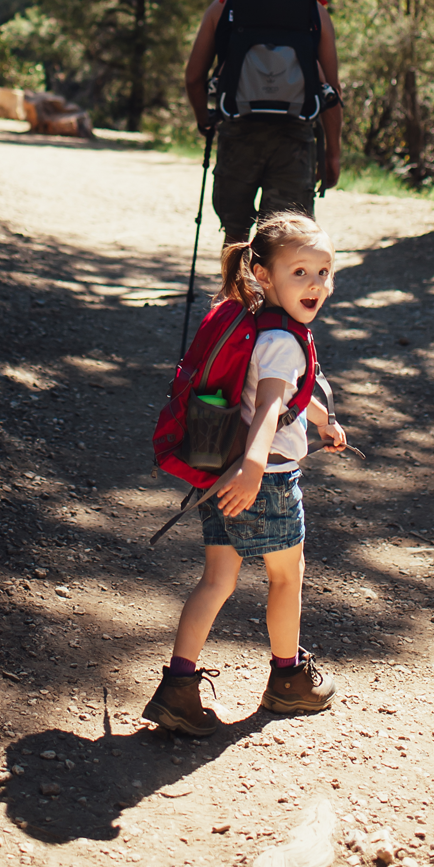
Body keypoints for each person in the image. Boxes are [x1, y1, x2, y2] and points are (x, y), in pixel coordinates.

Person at [142, 212, 347, 737]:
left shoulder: (261, 322)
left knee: (217, 581)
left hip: (218, 475)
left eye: (324, 272)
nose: (316, 284)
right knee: (286, 577)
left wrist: (325, 421)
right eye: (299, 272)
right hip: (265, 480)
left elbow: (288, 401)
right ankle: (288, 679)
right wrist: (255, 466)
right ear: (262, 273)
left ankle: (177, 688)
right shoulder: (283, 340)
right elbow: (272, 404)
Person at [184, 0, 342, 242]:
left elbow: (194, 76)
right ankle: (274, 297)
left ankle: (235, 295)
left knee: (236, 236)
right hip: (295, 137)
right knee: (285, 242)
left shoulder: (224, 6)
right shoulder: (315, 11)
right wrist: (332, 154)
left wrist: (205, 118)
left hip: (239, 130)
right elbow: (331, 90)